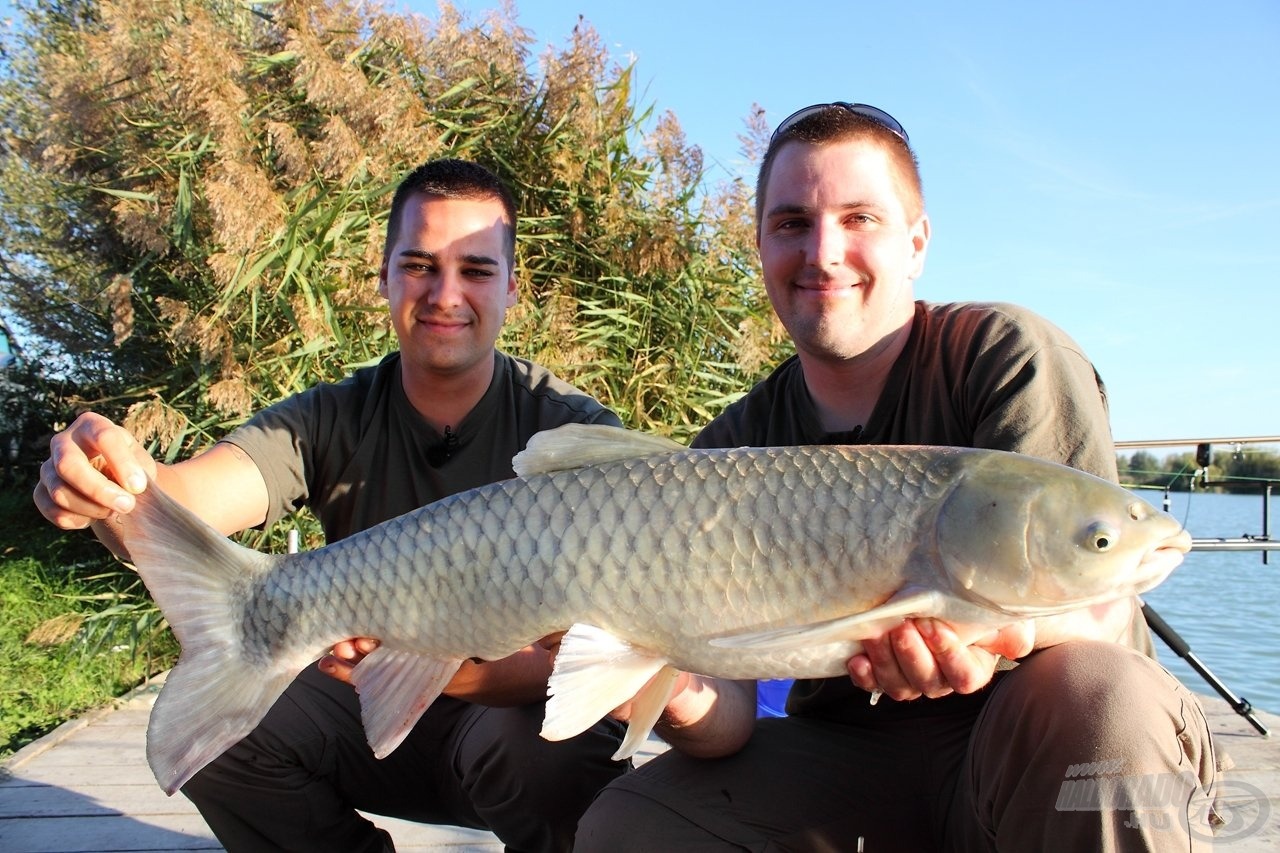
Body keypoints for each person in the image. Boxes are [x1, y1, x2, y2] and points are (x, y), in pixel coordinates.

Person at [575, 103, 1226, 851]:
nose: (823, 252)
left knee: (1102, 700)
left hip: (1035, 741)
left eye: (860, 218)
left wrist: (979, 638)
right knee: (625, 827)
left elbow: (1100, 606)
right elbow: (727, 712)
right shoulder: (733, 445)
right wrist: (668, 690)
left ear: (916, 242)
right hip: (854, 759)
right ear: (759, 245)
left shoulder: (1004, 355)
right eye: (792, 223)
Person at [34, 158, 629, 853]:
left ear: (511, 287)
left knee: (553, 749)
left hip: (508, 724)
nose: (445, 293)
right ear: (383, 277)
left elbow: (606, 646)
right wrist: (110, 482)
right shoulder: (330, 416)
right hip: (364, 711)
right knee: (221, 734)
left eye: (475, 269)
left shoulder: (575, 434)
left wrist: (461, 669)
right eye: (418, 265)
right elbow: (184, 501)